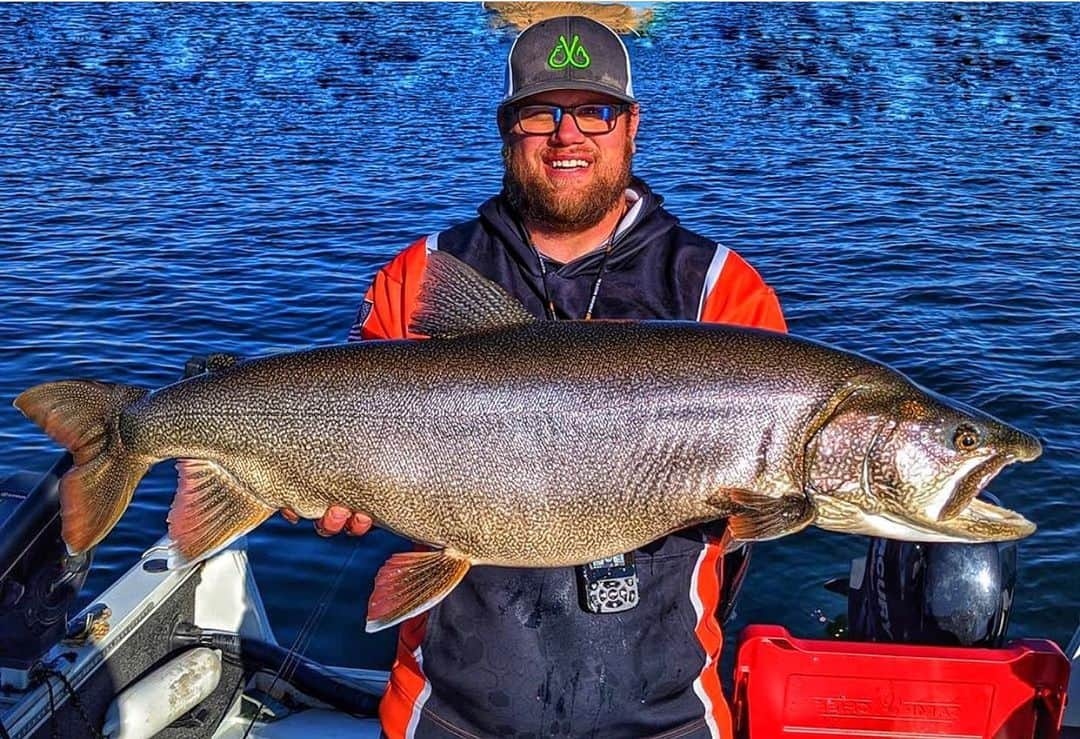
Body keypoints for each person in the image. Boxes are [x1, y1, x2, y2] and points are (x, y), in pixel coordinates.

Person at [318, 15, 786, 739]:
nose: (568, 136)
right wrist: (317, 482)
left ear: (631, 125)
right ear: (508, 129)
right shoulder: (419, 275)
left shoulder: (722, 292)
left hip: (665, 711)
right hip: (449, 708)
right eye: (542, 113)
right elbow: (332, 422)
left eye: (594, 112)